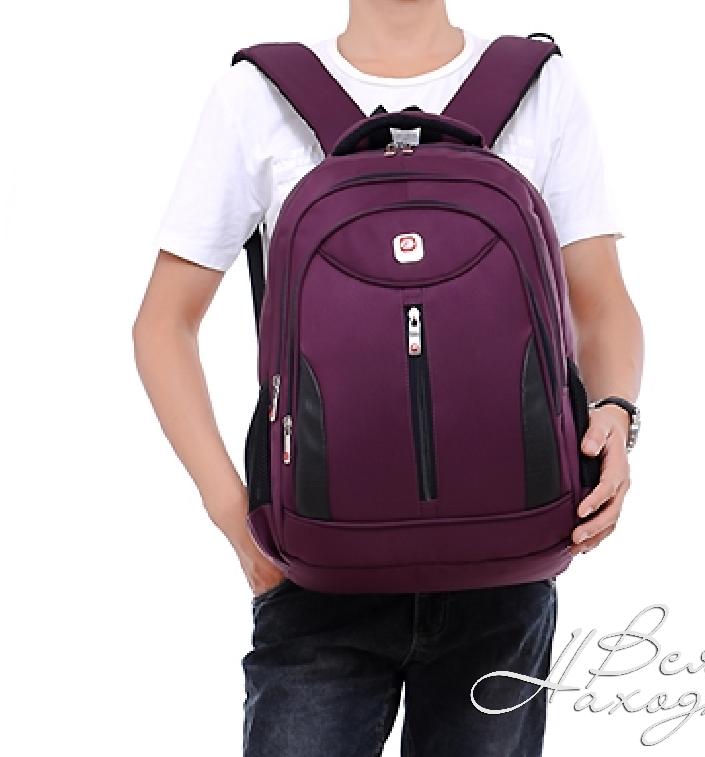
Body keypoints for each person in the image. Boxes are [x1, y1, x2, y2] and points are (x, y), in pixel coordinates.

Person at [133, 1, 644, 754]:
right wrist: (237, 520)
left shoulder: (540, 84)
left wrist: (617, 413)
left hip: (504, 574)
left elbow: (602, 303)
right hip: (319, 577)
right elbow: (162, 324)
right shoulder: (258, 95)